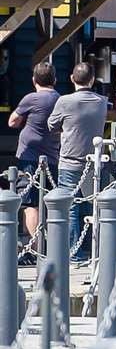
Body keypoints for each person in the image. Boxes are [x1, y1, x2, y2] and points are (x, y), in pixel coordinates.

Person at [47, 62, 107, 263]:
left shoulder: (65, 101)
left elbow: (51, 125)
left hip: (70, 161)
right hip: (93, 163)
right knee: (90, 207)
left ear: (72, 79)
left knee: (70, 207)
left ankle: (74, 252)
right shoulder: (102, 102)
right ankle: (90, 249)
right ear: (92, 80)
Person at [9, 61, 58, 241]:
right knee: (52, 203)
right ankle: (51, 246)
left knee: (31, 204)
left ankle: (36, 248)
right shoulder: (60, 99)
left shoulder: (31, 98)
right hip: (53, 156)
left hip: (29, 157)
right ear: (55, 79)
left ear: (33, 80)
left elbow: (12, 121)